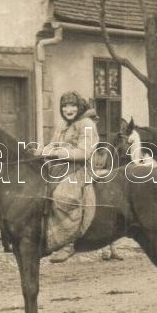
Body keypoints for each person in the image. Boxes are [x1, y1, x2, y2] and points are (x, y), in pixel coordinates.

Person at [42, 91, 100, 263]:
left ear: (79, 106)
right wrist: (43, 150)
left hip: (81, 167)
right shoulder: (62, 125)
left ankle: (68, 243)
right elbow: (53, 145)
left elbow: (85, 152)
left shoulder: (87, 124)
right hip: (61, 166)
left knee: (64, 197)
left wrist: (58, 153)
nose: (68, 109)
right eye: (65, 106)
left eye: (72, 105)